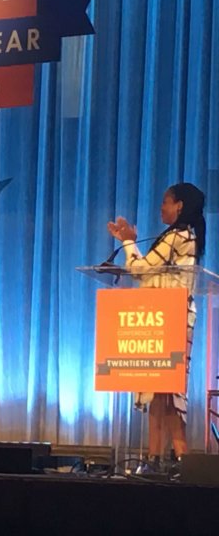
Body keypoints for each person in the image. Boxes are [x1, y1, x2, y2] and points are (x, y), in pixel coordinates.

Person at [108, 182, 206, 471]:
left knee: (167, 389)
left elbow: (141, 269)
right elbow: (153, 272)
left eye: (166, 201)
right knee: (161, 390)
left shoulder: (178, 235)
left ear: (180, 206)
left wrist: (128, 242)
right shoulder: (183, 235)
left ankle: (177, 456)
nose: (161, 207)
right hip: (166, 315)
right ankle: (162, 457)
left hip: (170, 317)